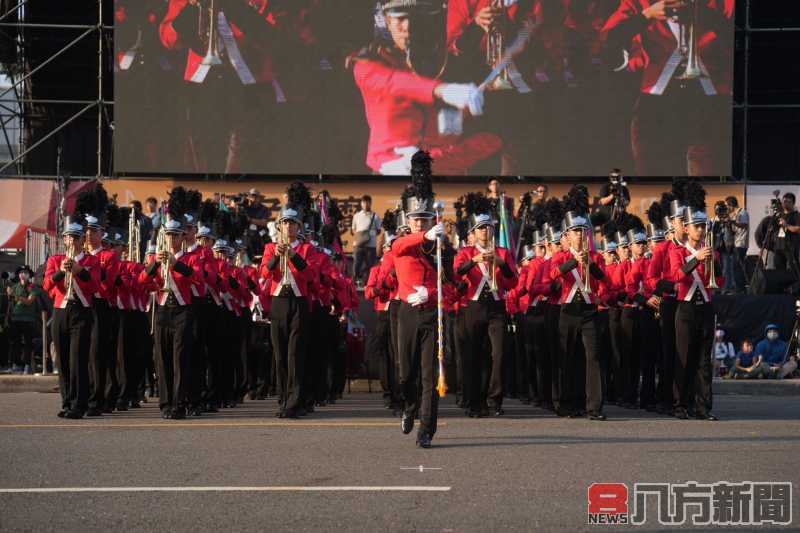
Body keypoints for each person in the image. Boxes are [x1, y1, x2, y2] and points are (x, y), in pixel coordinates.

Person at [348, 0, 502, 175]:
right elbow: (397, 82)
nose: (408, 27)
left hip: (438, 168)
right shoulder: (368, 65)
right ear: (387, 21)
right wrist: (442, 90)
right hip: (390, 168)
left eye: (416, 19)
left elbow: (453, 131)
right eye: (400, 19)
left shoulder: (435, 62)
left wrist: (432, 161)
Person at [393, 150, 451, 448]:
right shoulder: (403, 240)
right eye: (415, 218)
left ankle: (426, 430)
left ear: (432, 219)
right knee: (406, 373)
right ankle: (408, 407)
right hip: (407, 312)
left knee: (430, 376)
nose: (420, 223)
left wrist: (434, 292)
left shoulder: (442, 246)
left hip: (432, 313)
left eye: (425, 219)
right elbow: (399, 248)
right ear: (408, 219)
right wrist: (425, 238)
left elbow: (454, 286)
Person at [454, 199, 518, 417]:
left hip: (496, 306)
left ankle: (494, 399)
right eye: (481, 228)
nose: (485, 231)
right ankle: (474, 401)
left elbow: (513, 282)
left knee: (498, 353)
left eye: (488, 227)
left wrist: (502, 264)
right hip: (473, 306)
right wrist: (475, 260)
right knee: (473, 356)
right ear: (474, 231)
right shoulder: (465, 252)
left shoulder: (503, 252)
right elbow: (456, 273)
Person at [43, 215, 101, 419]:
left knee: (78, 359)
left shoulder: (91, 261)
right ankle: (67, 401)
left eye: (75, 238)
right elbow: (47, 285)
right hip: (60, 311)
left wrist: (80, 271)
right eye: (68, 237)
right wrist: (61, 272)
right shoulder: (55, 260)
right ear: (64, 239)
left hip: (81, 311)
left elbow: (95, 286)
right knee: (63, 360)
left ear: (81, 240)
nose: (71, 242)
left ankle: (79, 404)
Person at [670, 202, 722, 421]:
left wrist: (714, 265)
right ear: (687, 228)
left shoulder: (713, 252)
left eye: (702, 226)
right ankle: (680, 404)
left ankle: (703, 407)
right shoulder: (678, 251)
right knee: (684, 357)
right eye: (696, 226)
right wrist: (696, 259)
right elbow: (676, 276)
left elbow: (720, 280)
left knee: (703, 360)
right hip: (686, 308)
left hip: (706, 307)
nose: (700, 230)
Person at [6, 266, 40, 374]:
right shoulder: (15, 286)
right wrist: (9, 294)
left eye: (25, 272)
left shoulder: (33, 287)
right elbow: (11, 303)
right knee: (15, 342)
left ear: (29, 275)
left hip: (28, 319)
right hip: (15, 318)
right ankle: (16, 364)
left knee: (27, 342)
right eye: (21, 272)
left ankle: (27, 365)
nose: (23, 274)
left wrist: (16, 296)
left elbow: (29, 301)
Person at [351, 195, 381, 286]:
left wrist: (370, 235)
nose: (365, 204)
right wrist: (360, 236)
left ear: (370, 203)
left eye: (367, 202)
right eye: (363, 202)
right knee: (357, 263)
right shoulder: (356, 215)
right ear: (361, 203)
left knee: (370, 265)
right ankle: (354, 282)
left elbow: (379, 230)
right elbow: (353, 229)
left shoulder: (375, 216)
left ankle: (367, 283)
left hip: (371, 245)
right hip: (359, 244)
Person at [726, 196, 749, 293]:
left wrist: (732, 222)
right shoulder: (732, 215)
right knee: (735, 267)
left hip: (741, 243)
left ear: (731, 205)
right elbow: (732, 231)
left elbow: (744, 225)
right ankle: (738, 287)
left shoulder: (742, 212)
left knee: (738, 266)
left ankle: (741, 288)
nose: (727, 208)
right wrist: (728, 224)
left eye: (727, 206)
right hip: (735, 243)